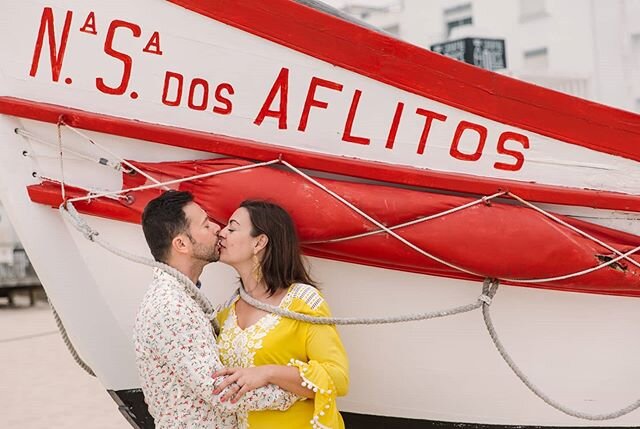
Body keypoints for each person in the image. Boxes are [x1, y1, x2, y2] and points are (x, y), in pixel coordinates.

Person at [133, 190, 298, 429]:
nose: (217, 229)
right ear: (181, 244)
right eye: (206, 224)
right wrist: (295, 392)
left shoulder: (182, 298)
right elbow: (218, 391)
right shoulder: (171, 307)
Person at [213, 200, 349, 429]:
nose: (221, 232)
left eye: (232, 228)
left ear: (260, 242)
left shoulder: (304, 302)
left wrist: (269, 372)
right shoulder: (227, 310)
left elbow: (338, 378)